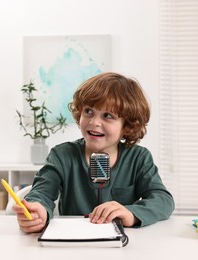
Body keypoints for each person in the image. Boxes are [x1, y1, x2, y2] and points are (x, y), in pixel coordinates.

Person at [12, 72, 175, 233]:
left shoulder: (138, 158)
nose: (94, 122)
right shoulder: (62, 155)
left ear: (127, 126)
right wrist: (37, 210)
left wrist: (131, 213)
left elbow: (163, 200)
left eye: (108, 116)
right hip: (73, 240)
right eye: (88, 111)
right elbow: (42, 192)